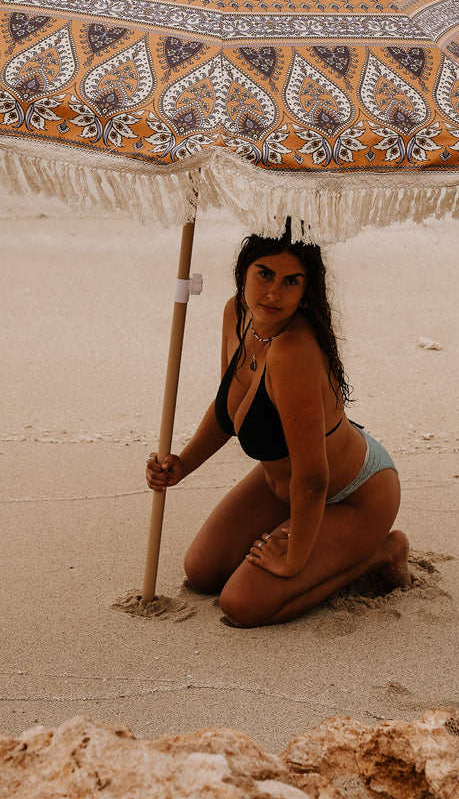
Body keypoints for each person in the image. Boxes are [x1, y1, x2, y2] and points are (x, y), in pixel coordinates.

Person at [146, 224, 410, 627]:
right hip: (285, 487)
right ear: (244, 272)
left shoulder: (294, 354)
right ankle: (318, 549)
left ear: (307, 291)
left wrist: (293, 560)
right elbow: (229, 411)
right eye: (264, 274)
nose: (273, 293)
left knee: (242, 605)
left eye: (292, 281)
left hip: (351, 495)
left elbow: (313, 478)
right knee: (202, 571)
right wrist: (182, 465)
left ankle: (380, 554)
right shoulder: (236, 314)